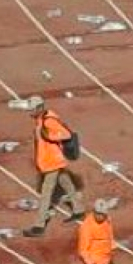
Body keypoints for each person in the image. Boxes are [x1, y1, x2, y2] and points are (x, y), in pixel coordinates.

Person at [23, 97, 82, 237]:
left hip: (52, 163)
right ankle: (79, 210)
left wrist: (50, 135)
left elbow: (66, 134)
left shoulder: (49, 121)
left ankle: (39, 225)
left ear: (39, 108)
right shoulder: (41, 119)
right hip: (51, 161)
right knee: (67, 184)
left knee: (46, 193)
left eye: (32, 109)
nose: (30, 112)